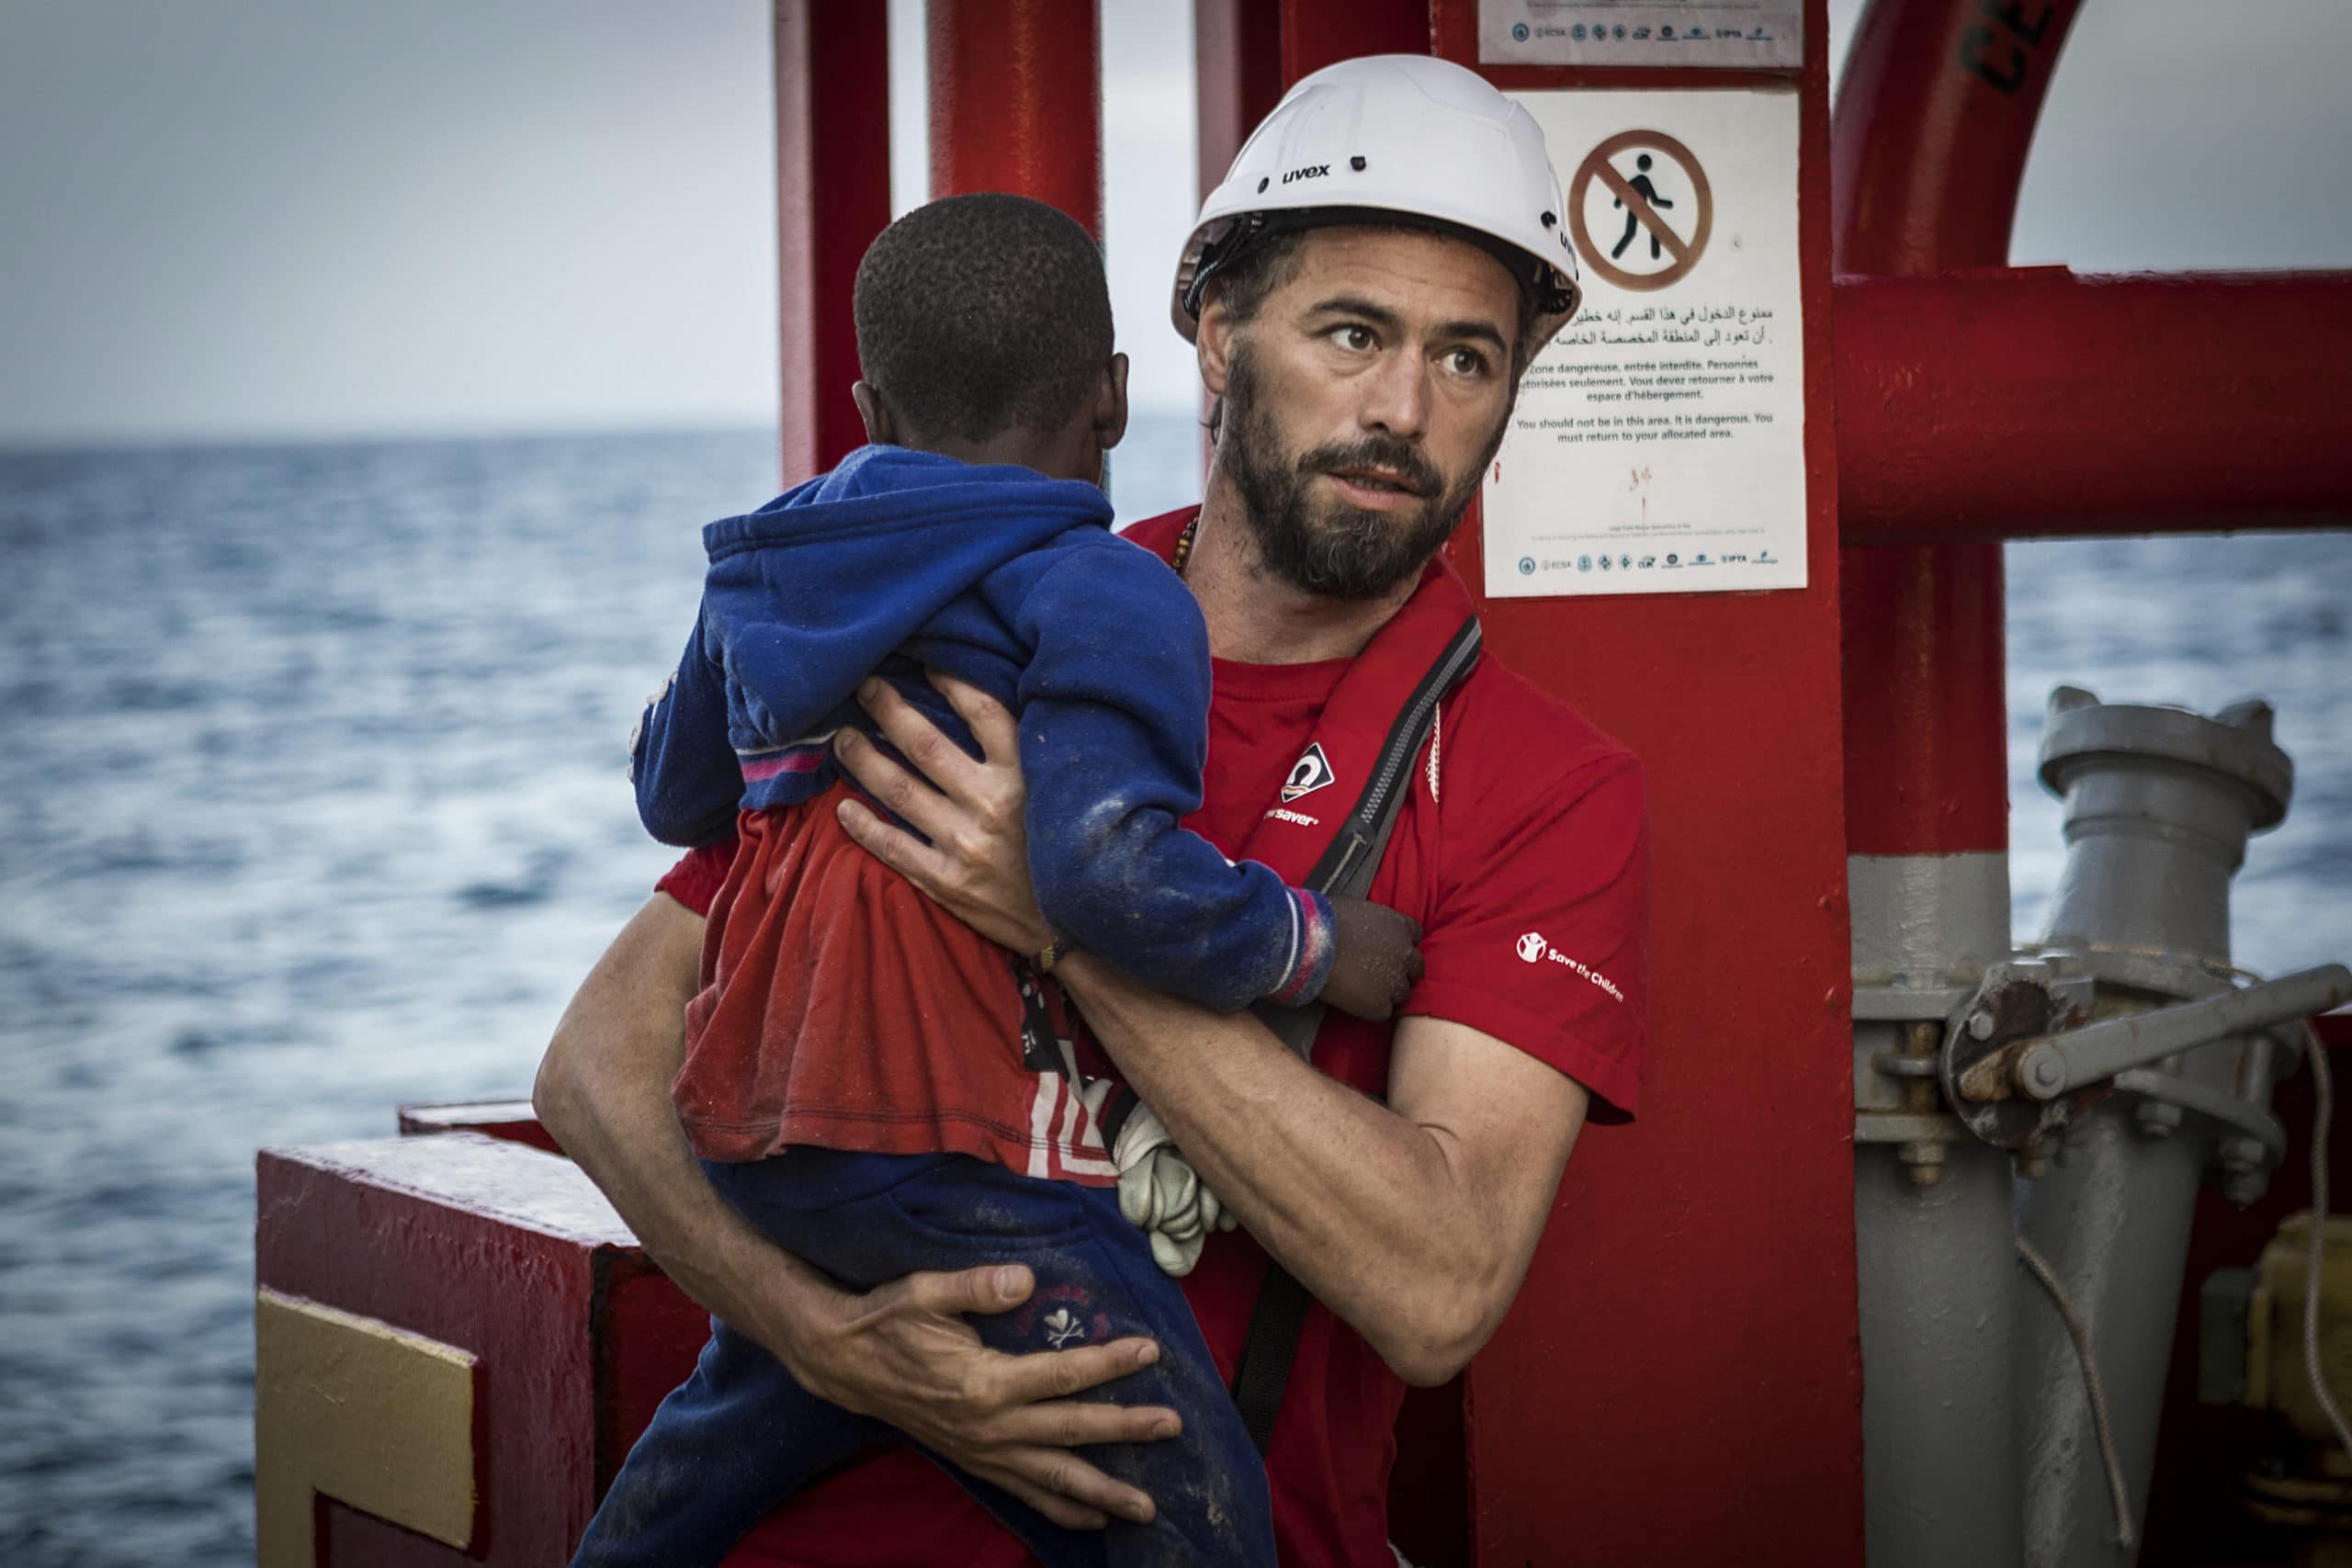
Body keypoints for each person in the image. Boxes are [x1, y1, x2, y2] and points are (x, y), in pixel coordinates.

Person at [537, 53, 1651, 1568]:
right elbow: (597, 1063)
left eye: (1468, 360)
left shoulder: (1542, 785)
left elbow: (1438, 1285)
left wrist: (1064, 918)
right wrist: (828, 1339)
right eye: (1350, 332)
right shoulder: (978, 607)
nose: (1402, 408)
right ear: (1210, 335)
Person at [572, 192, 1424, 1567]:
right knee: (1184, 1501)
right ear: (1113, 396)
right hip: (953, 1154)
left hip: (772, 1141)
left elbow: (674, 797)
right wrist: (1314, 946)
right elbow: (1098, 870)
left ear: (869, 403)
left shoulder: (767, 573)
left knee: (717, 1448)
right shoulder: (1097, 587)